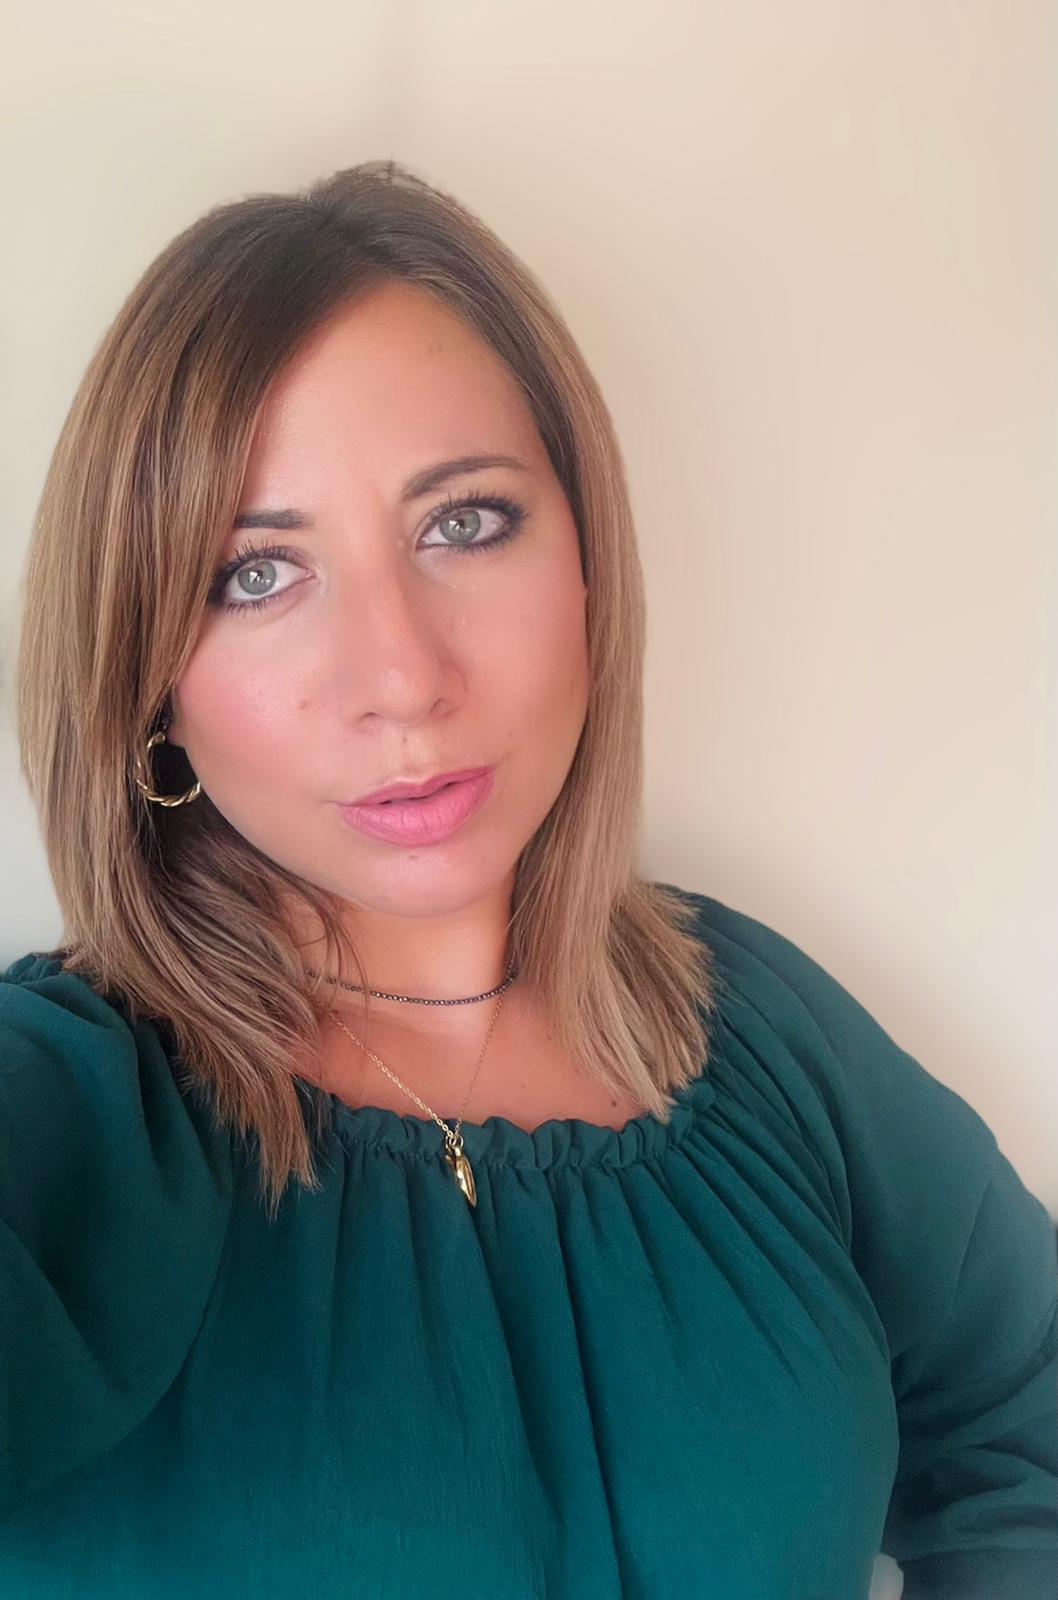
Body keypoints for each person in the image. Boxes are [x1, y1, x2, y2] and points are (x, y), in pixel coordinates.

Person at [1, 159, 1054, 1600]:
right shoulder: (70, 1108)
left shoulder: (755, 1029)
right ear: (149, 688)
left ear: (587, 569)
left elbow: (1024, 1416)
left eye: (464, 524)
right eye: (253, 574)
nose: (401, 676)